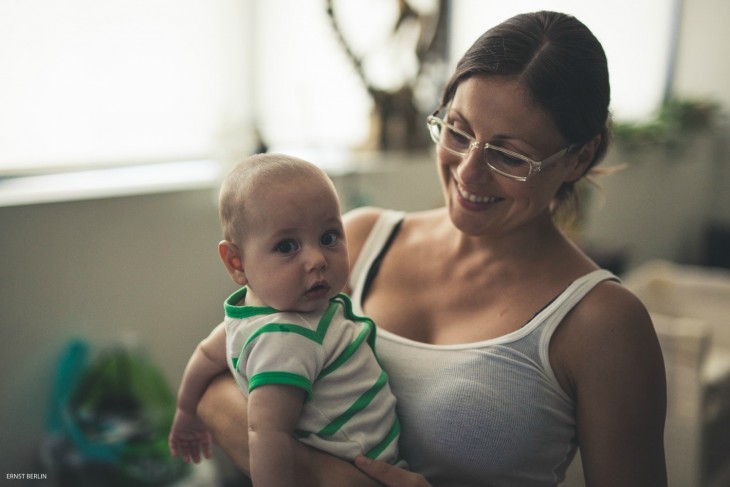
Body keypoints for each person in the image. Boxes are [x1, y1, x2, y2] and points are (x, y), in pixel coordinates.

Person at [194, 11, 668, 487]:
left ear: (578, 158)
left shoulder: (603, 324)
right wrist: (336, 479)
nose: (467, 172)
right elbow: (215, 392)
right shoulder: (355, 243)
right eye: (458, 131)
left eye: (509, 155)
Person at [168, 154, 404, 486]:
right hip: (362, 467)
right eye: (287, 246)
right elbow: (266, 434)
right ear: (237, 262)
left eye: (328, 237)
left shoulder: (247, 315)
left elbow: (206, 356)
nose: (317, 259)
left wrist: (185, 412)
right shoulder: (289, 337)